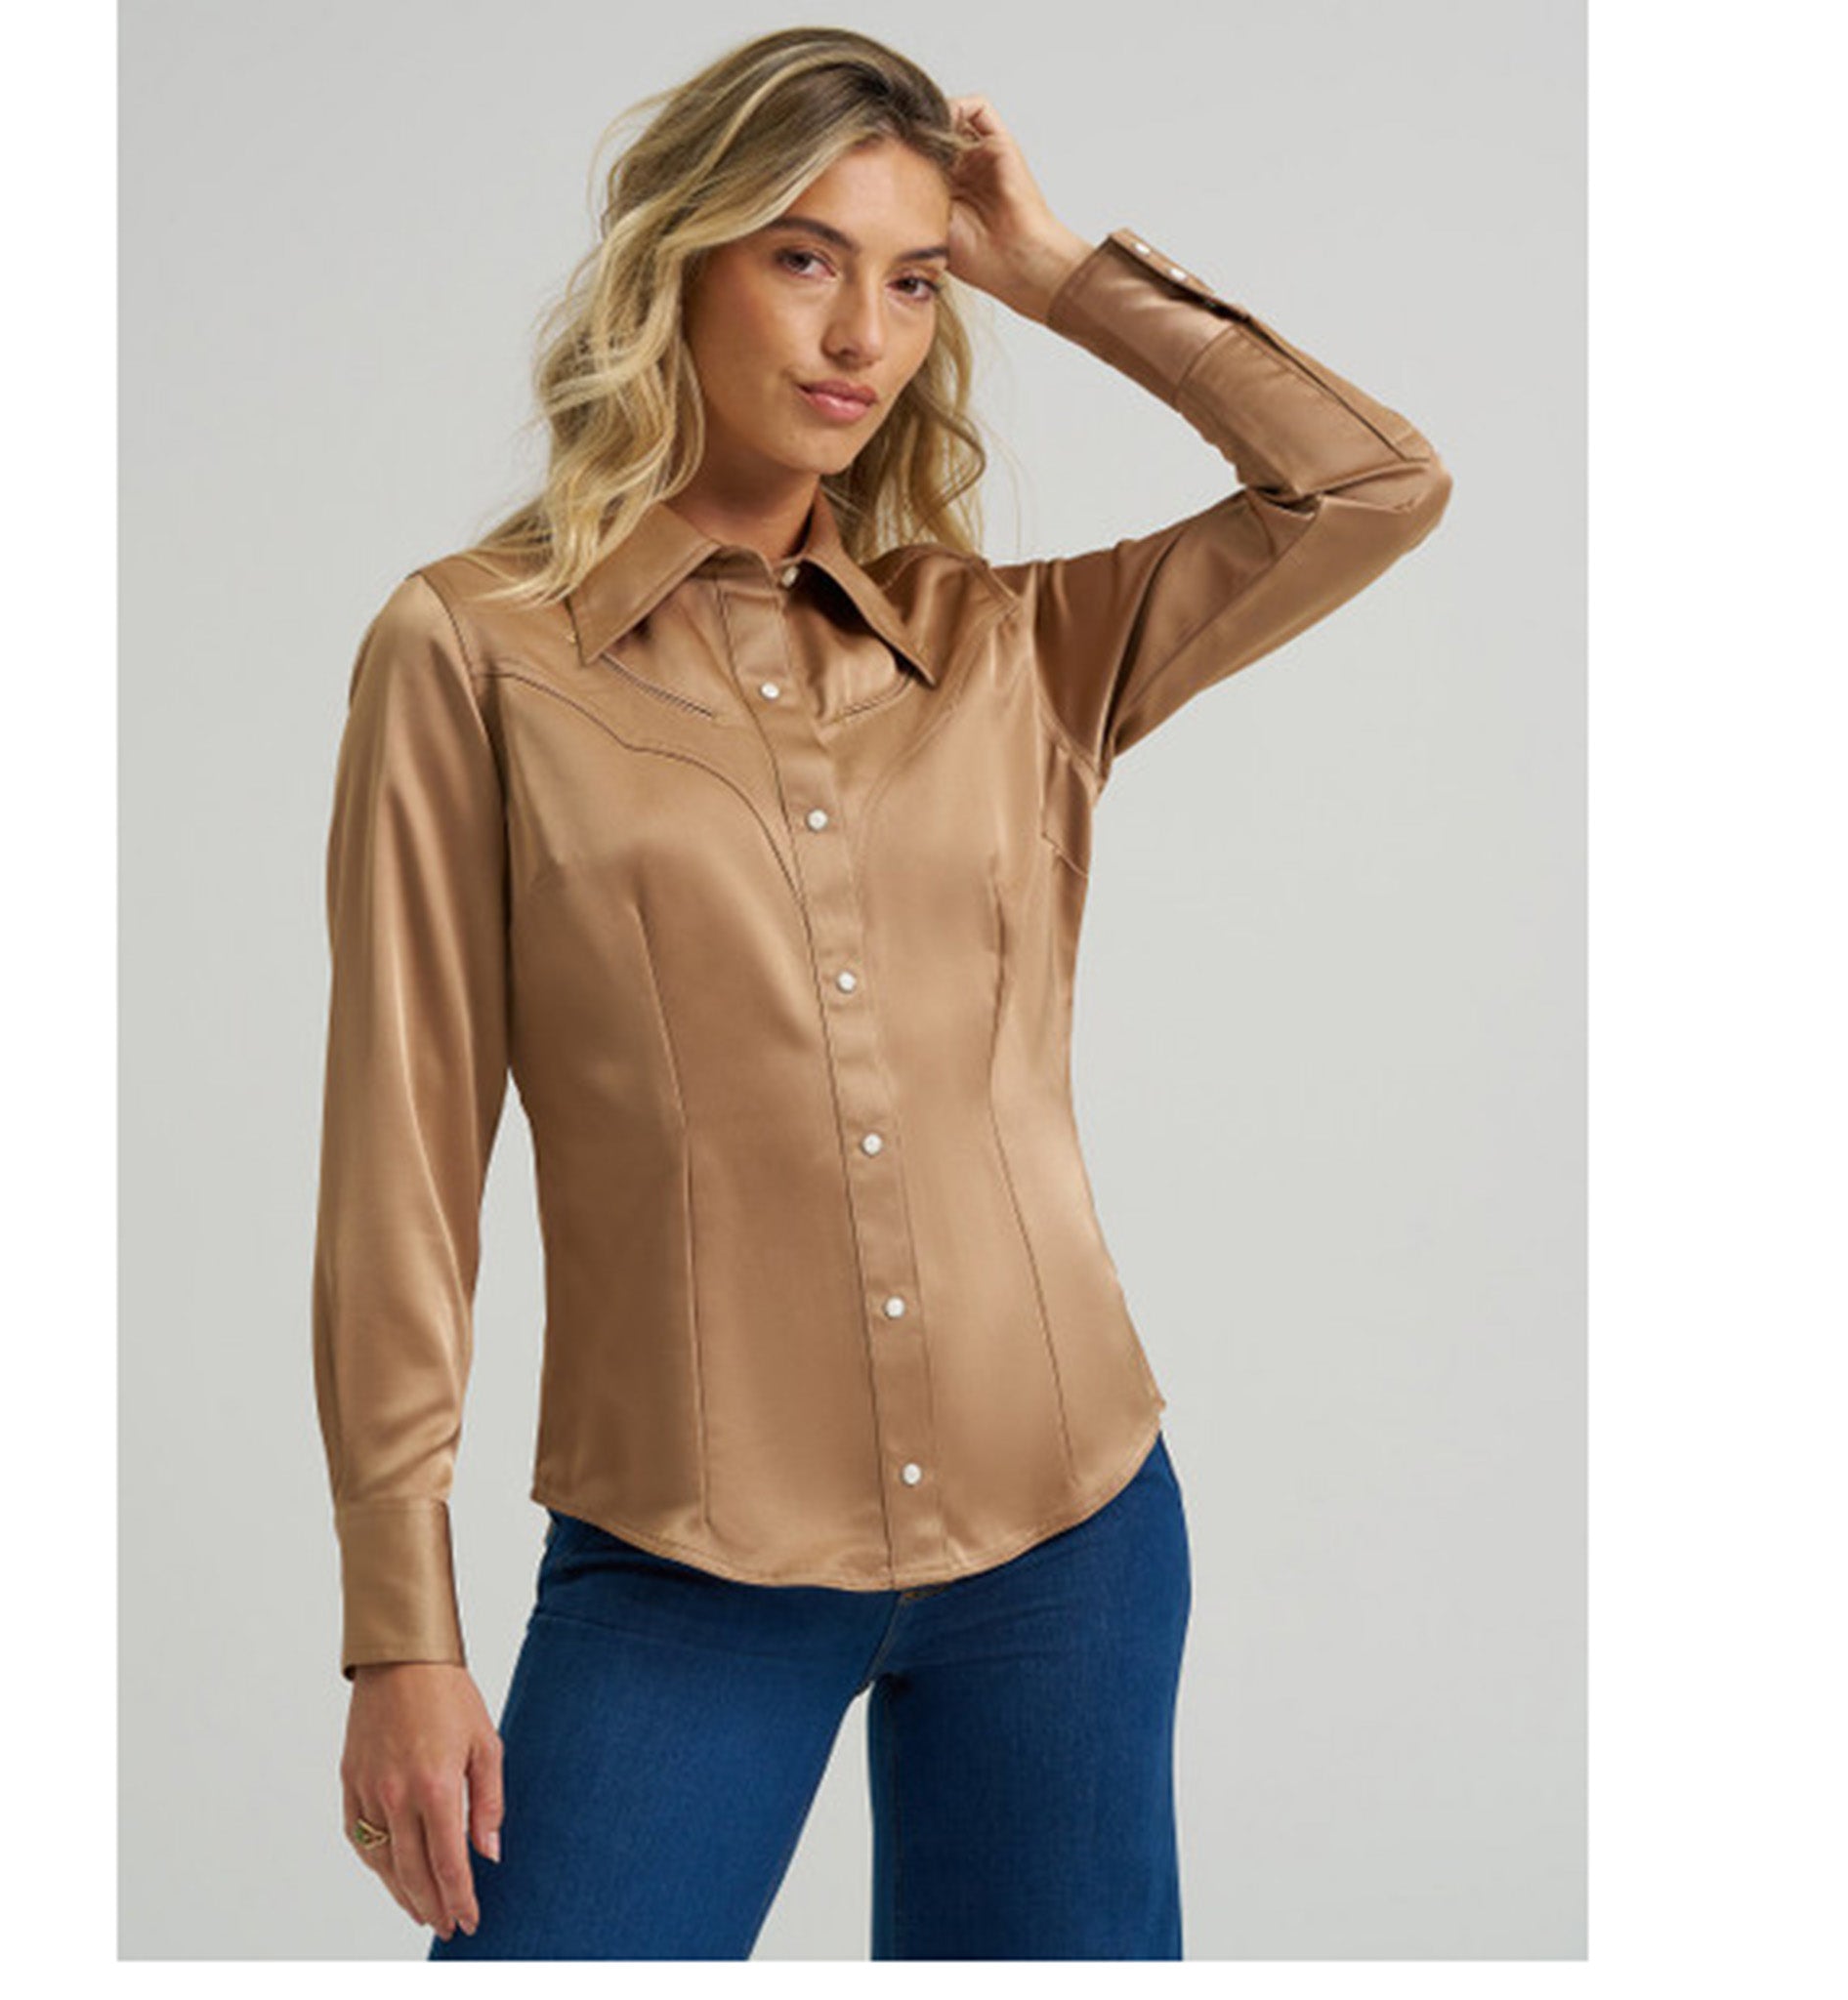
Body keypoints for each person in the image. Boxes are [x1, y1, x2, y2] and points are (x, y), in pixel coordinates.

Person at [310, 24, 1451, 1963]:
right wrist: (396, 1626)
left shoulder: (1012, 651)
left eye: (914, 280)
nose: (861, 333)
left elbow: (1370, 487)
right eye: (803, 256)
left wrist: (1060, 269)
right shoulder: (473, 654)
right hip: (690, 1565)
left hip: (1071, 1539)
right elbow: (400, 1170)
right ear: (679, 263)